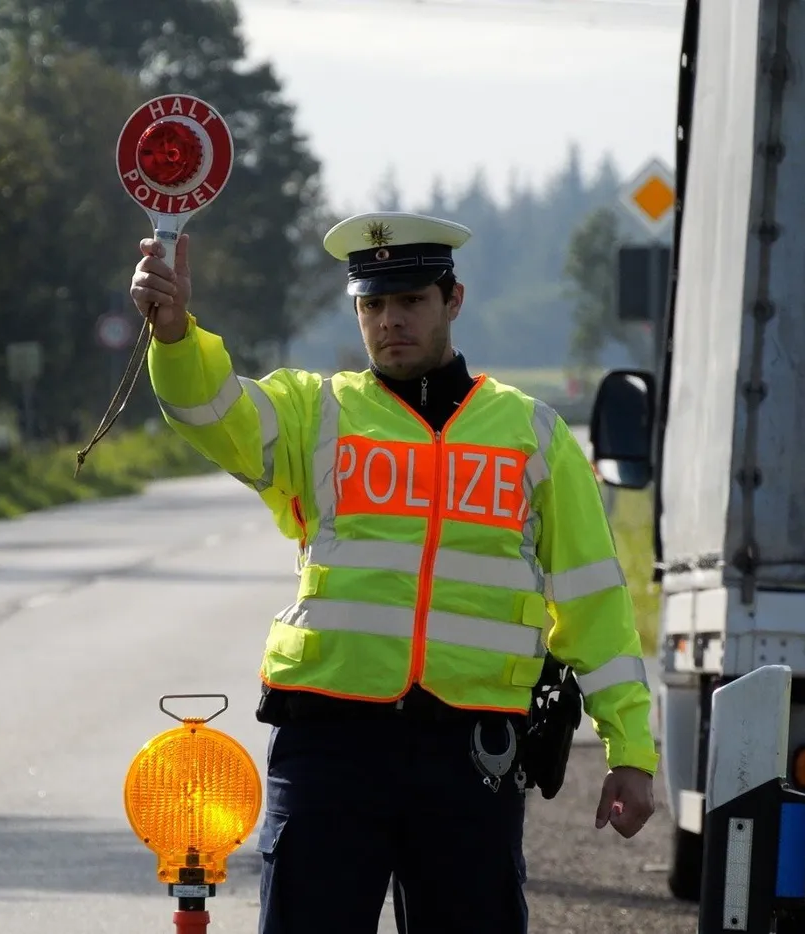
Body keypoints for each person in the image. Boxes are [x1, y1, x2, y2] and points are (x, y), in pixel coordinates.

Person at [129, 211, 657, 934]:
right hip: (329, 746)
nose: (389, 321)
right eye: (372, 305)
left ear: (453, 300)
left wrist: (630, 748)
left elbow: (595, 602)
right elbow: (208, 408)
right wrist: (174, 333)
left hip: (470, 757)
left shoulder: (533, 434)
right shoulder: (317, 412)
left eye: (410, 300)